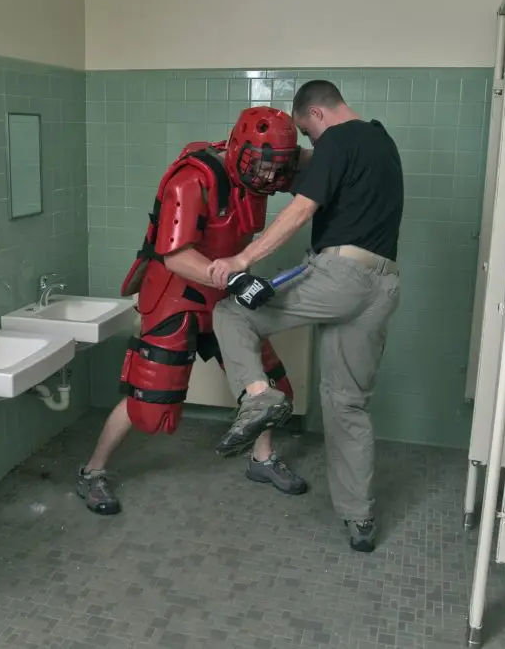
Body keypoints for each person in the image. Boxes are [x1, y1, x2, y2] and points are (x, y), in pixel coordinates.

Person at [77, 107, 308, 515]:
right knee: (147, 399)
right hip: (176, 295)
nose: (269, 177)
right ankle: (92, 472)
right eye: (263, 166)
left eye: (278, 168)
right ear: (239, 150)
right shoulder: (191, 181)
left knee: (270, 387)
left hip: (222, 296)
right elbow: (173, 255)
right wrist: (235, 279)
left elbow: (310, 177)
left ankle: (262, 459)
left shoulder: (260, 178)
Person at [207, 80, 404, 553]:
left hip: (341, 276)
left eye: (306, 133)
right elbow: (313, 178)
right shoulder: (380, 140)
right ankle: (359, 519)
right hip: (384, 285)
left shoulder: (335, 138)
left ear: (316, 114)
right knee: (347, 404)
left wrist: (242, 259)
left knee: (232, 312)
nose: (311, 144)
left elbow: (301, 209)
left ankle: (258, 397)